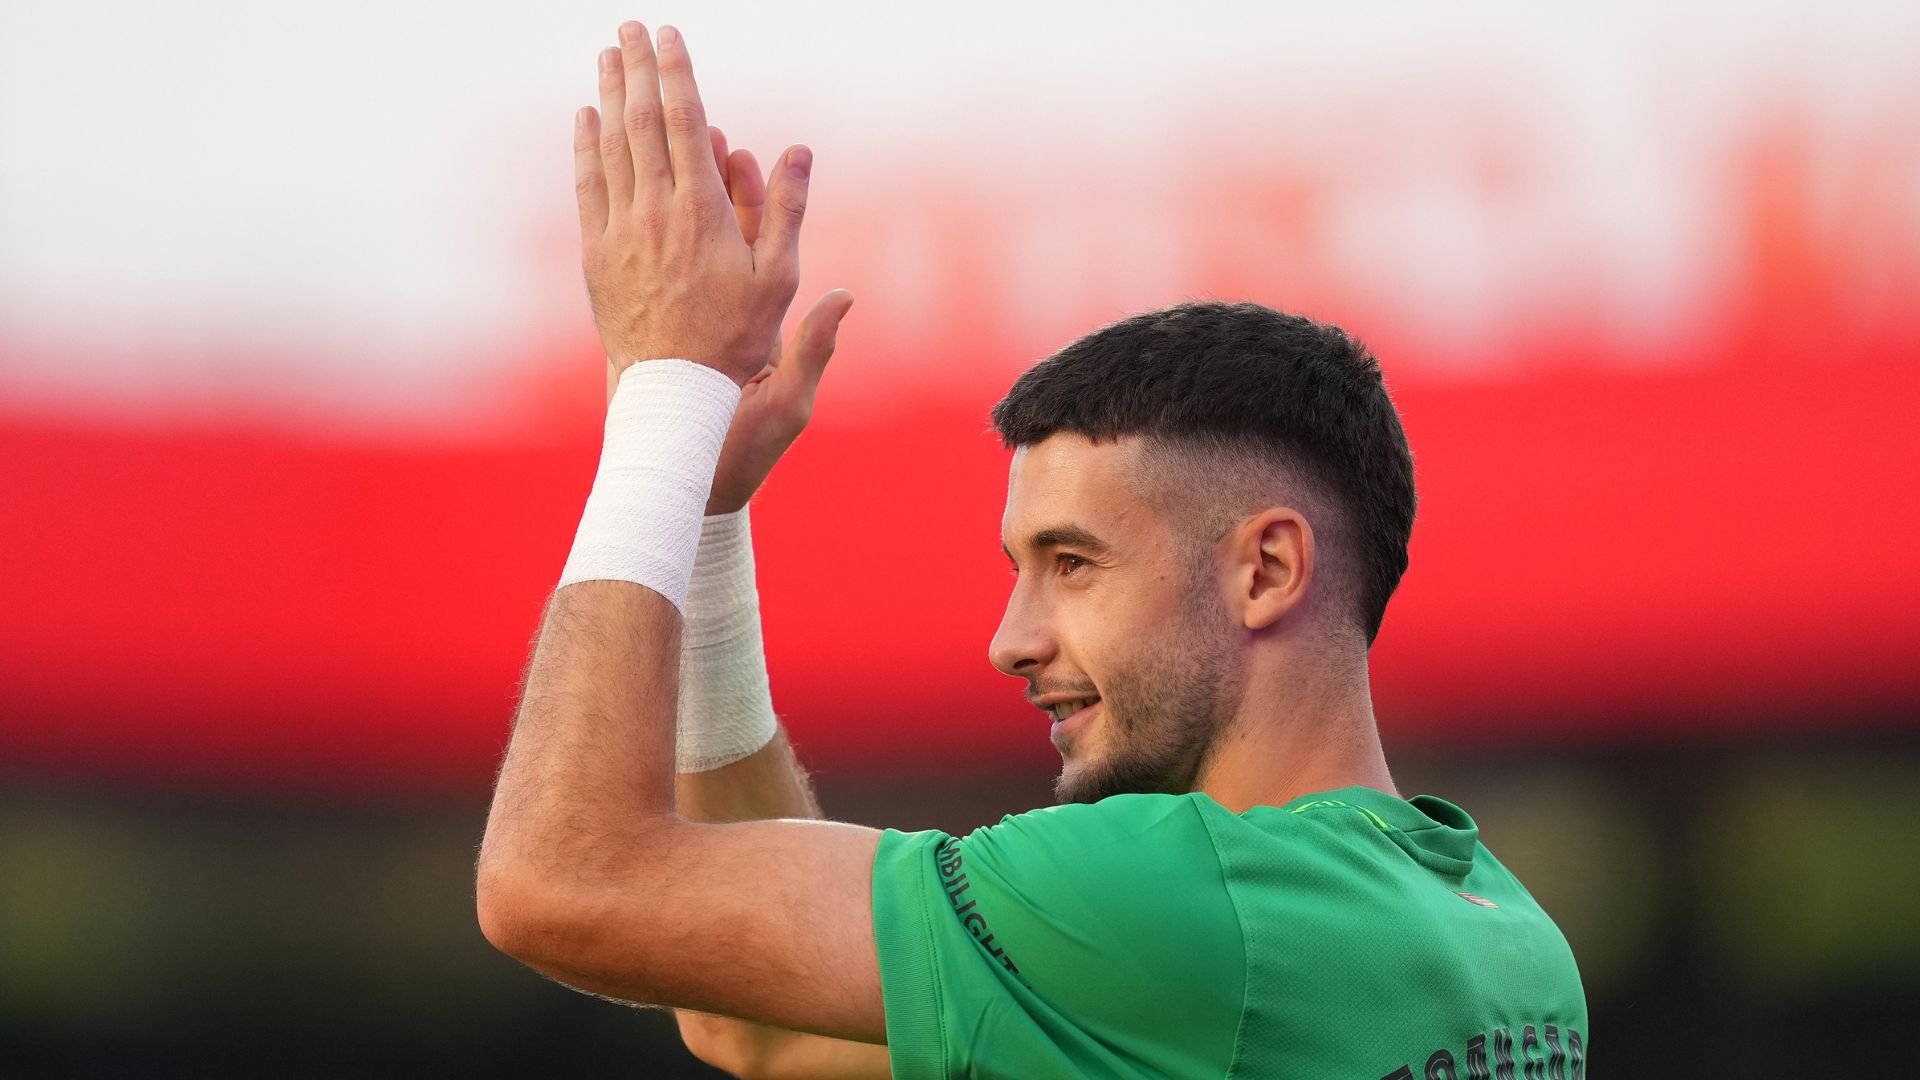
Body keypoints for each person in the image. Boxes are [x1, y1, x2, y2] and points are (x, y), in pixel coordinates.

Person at [477, 21, 1589, 1080]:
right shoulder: (1514, 938)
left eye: (1074, 563)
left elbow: (564, 880)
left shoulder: (1175, 900)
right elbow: (751, 1023)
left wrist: (663, 396)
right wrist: (713, 524)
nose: (1012, 640)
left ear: (1267, 571)